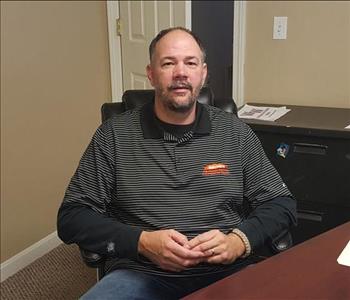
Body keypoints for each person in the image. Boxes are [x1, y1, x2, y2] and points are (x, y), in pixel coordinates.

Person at [57, 27, 297, 299]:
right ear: (151, 73)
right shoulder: (114, 136)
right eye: (168, 63)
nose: (181, 72)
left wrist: (239, 241)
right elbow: (72, 217)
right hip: (141, 273)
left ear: (203, 73)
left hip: (227, 270)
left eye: (190, 63)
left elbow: (281, 204)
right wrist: (142, 242)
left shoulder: (234, 132)